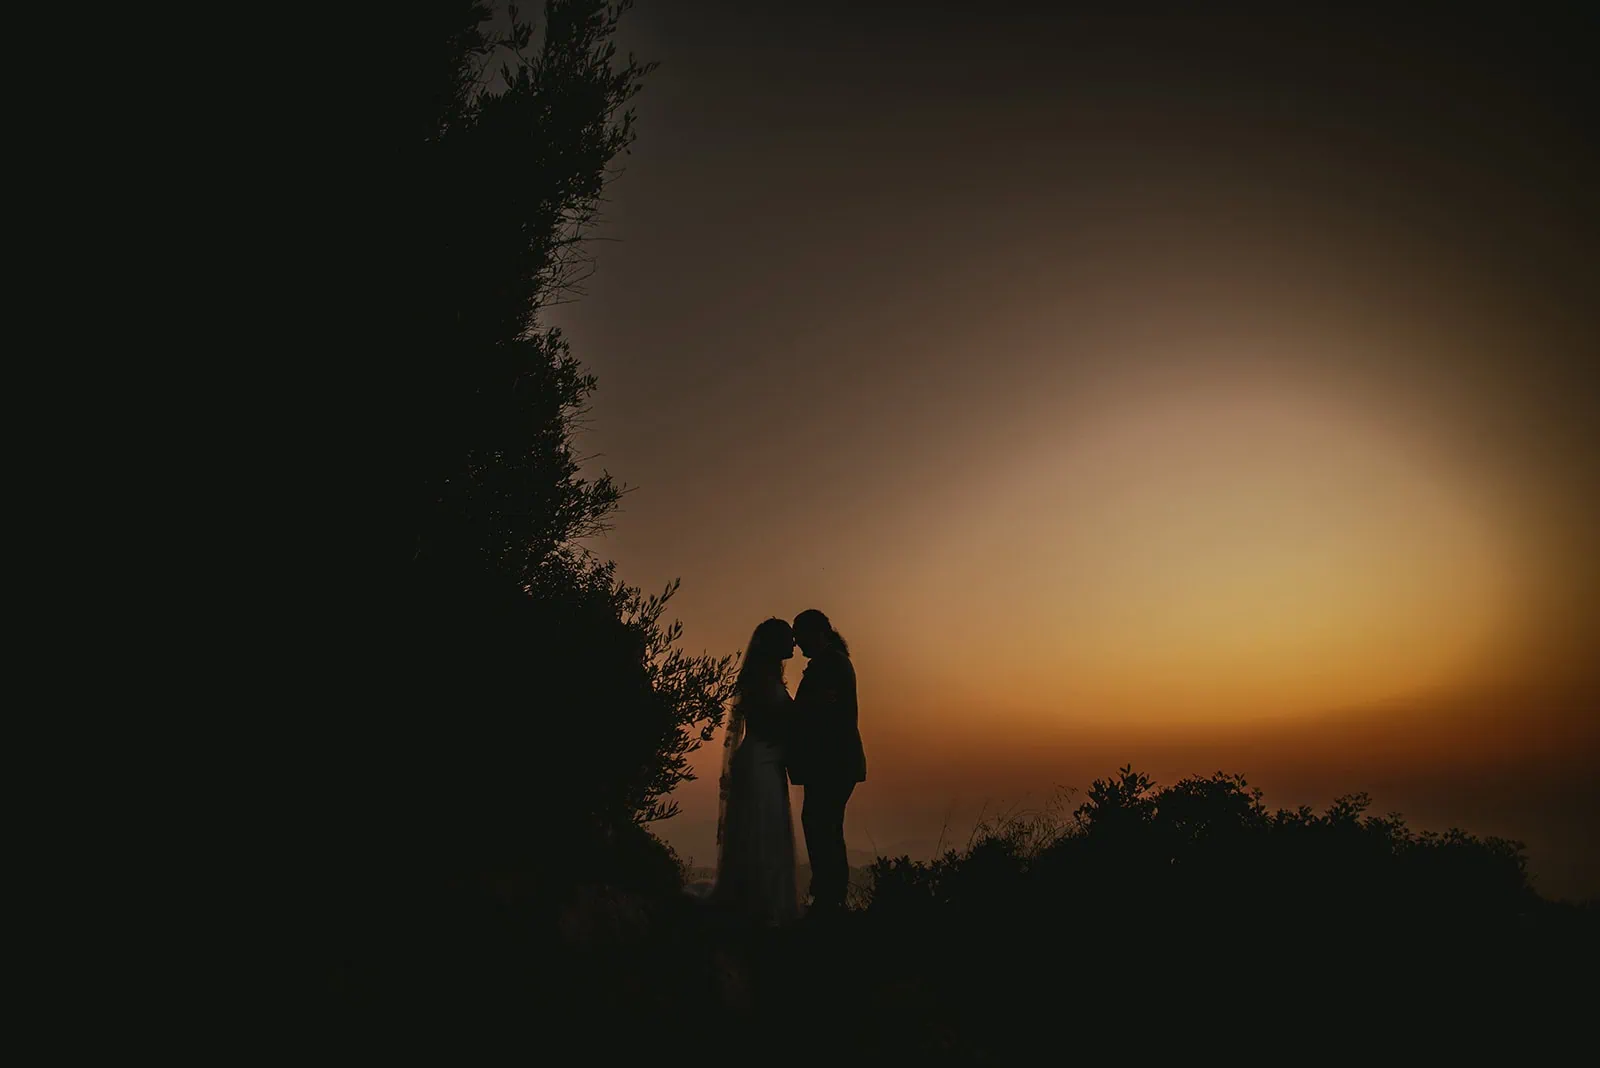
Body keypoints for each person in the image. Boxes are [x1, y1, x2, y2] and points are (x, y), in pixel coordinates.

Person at [710, 618, 800, 925]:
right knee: (762, 828)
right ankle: (759, 906)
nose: (794, 644)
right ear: (775, 643)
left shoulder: (767, 677)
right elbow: (769, 722)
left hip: (767, 760)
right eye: (789, 638)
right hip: (760, 760)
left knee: (766, 827)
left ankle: (763, 902)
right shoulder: (761, 680)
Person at [788, 609, 866, 916]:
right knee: (825, 825)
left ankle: (829, 898)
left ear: (817, 632)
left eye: (800, 635)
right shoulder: (831, 661)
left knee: (823, 825)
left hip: (832, 763)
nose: (796, 643)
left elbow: (817, 711)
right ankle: (829, 895)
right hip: (833, 762)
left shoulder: (830, 663)